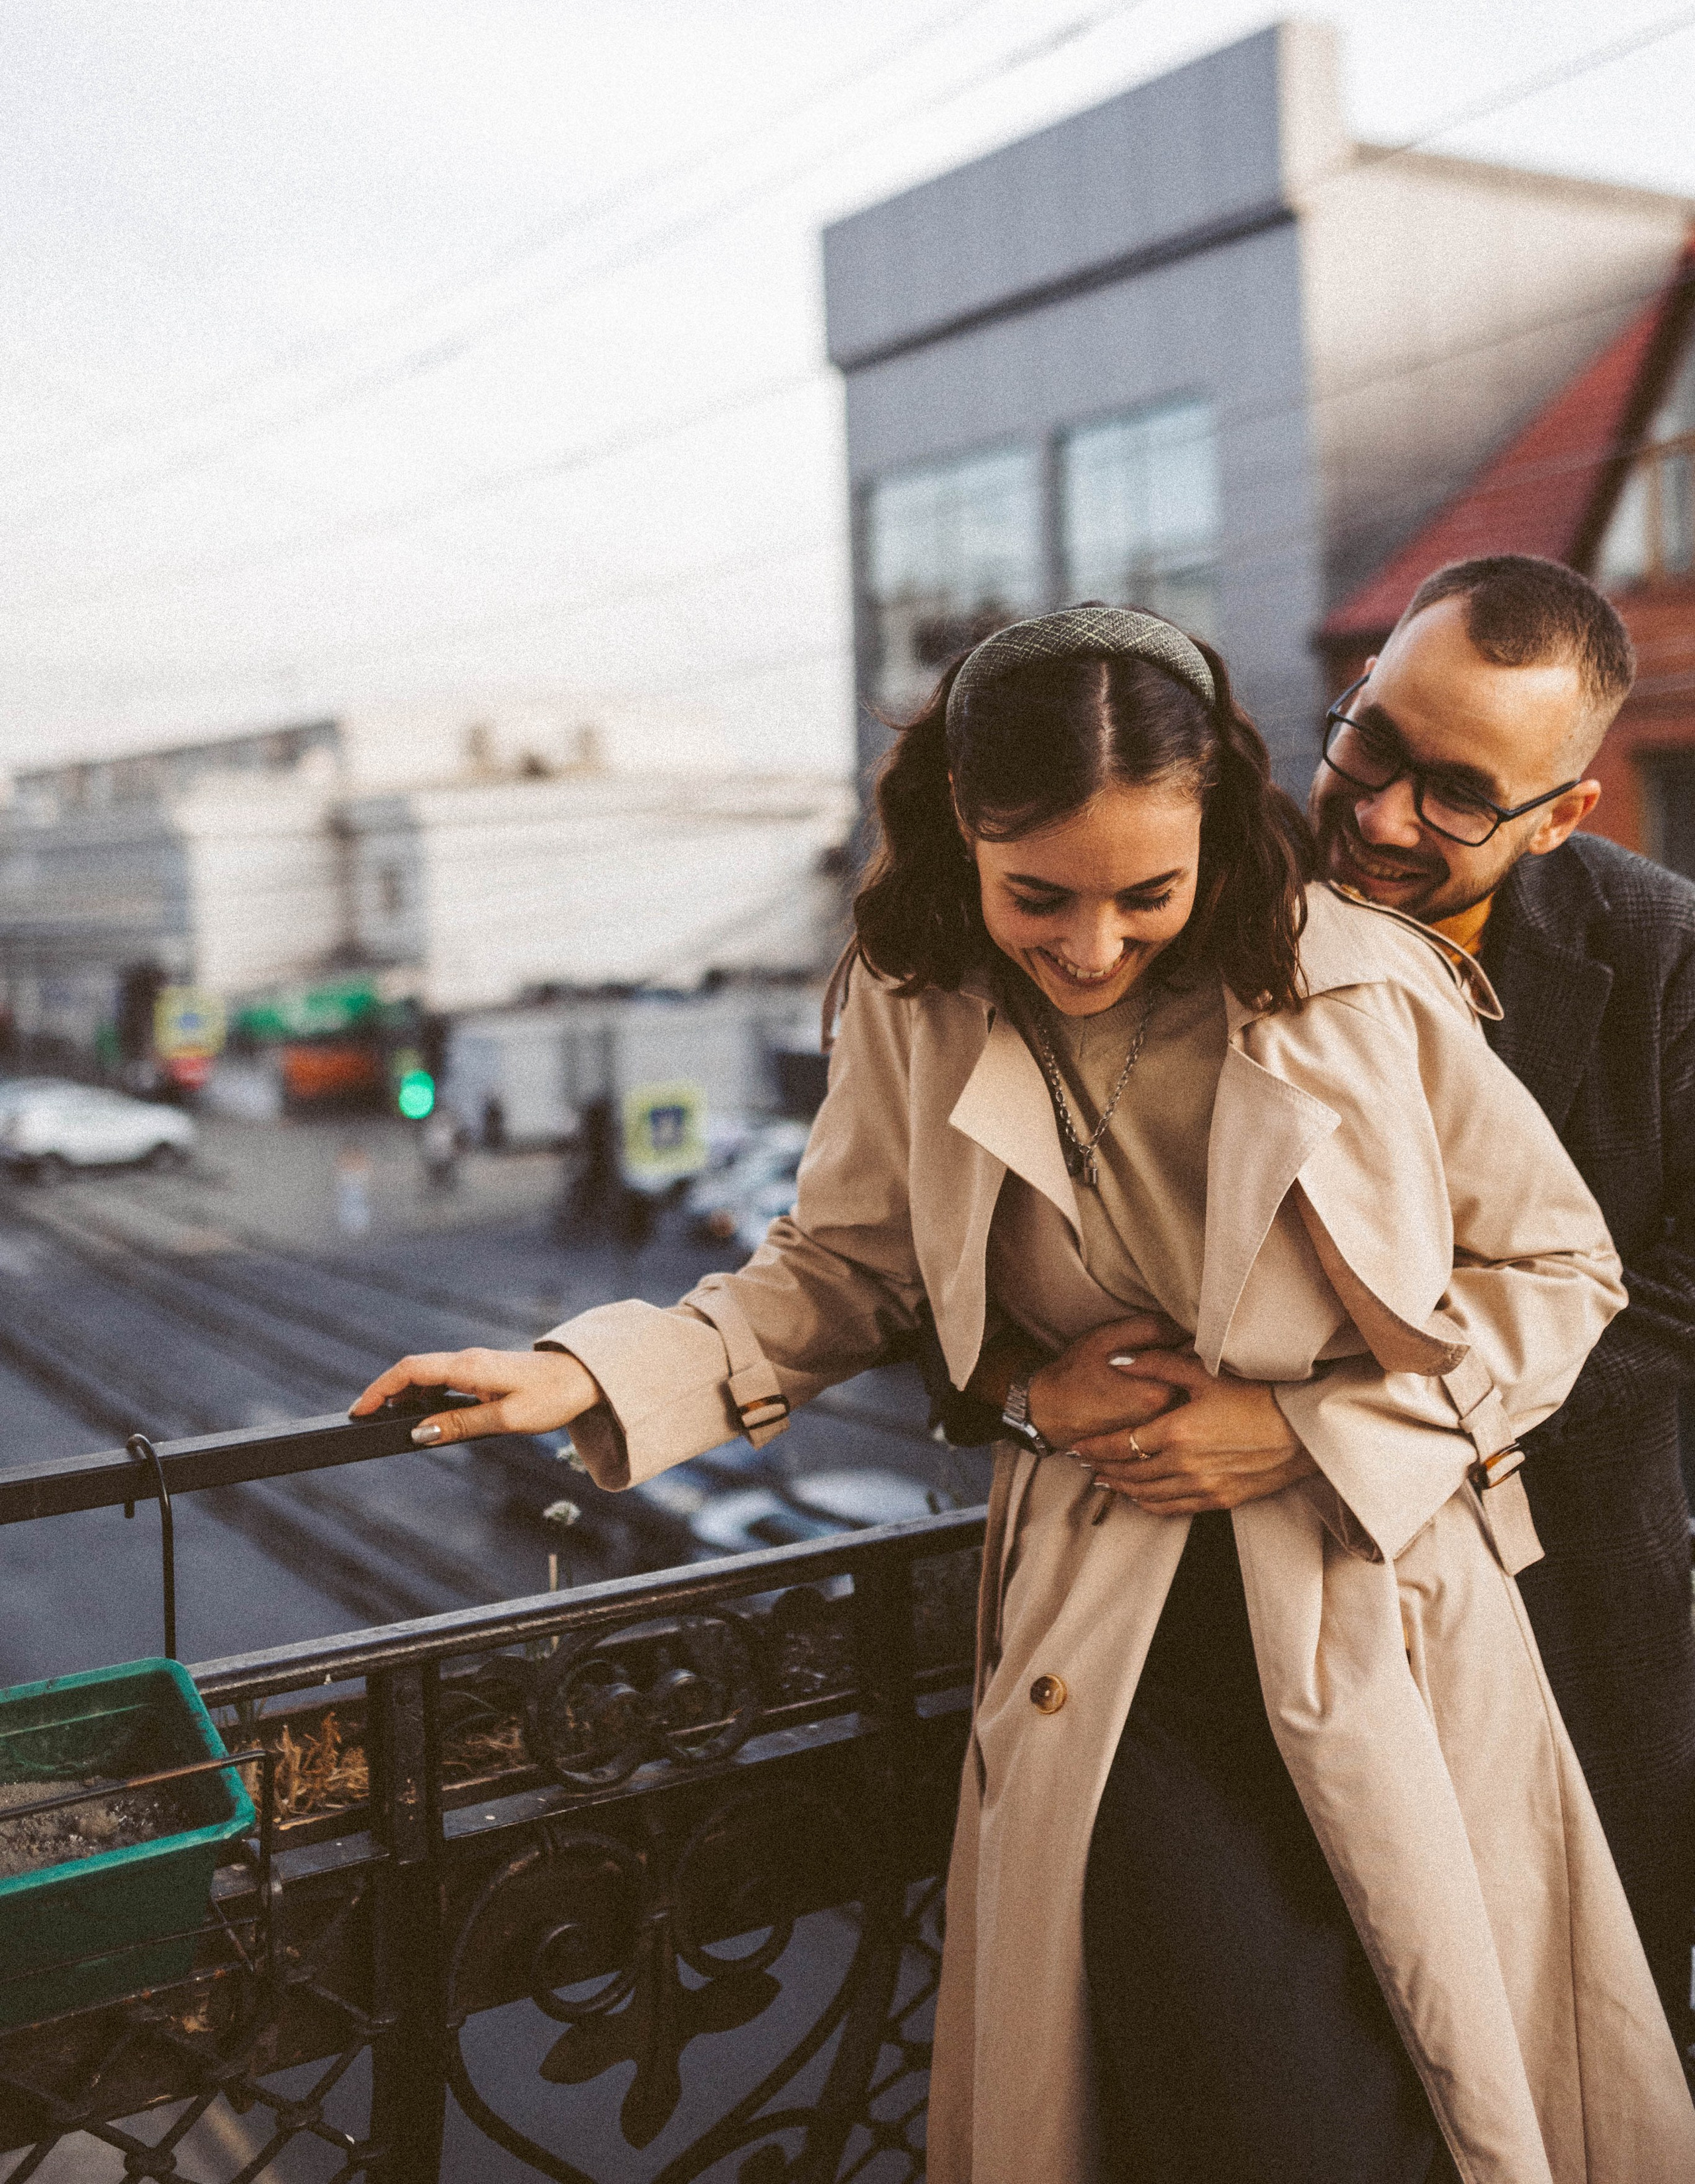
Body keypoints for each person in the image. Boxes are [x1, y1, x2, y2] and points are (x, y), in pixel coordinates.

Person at [352, 606, 1693, 2183]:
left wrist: (1298, 1427)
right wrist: (593, 1364)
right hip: (1114, 1643)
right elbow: (835, 1272)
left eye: (1147, 894)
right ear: (959, 844)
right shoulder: (910, 1003)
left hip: (1373, 1607)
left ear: (1215, 840)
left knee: (1429, 2083)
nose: (1089, 944)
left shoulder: (1356, 984)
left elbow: (1559, 1277)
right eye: (1033, 896)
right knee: (1240, 2100)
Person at [1302, 554, 1695, 2052]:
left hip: (1573, 1615)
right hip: (1289, 1619)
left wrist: (1357, 1430)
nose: (1383, 813)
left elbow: (1674, 1294)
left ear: (1562, 817)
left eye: (1456, 794)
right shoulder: (1202, 902)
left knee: (1591, 2046)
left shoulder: (1663, 954)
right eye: (1370, 741)